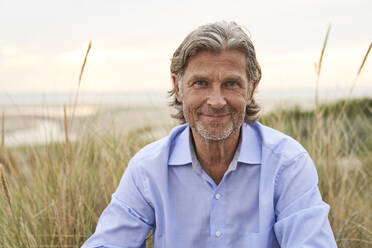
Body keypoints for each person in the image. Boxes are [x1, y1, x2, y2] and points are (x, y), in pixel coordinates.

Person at [82, 21, 337, 248]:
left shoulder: (287, 163)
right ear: (178, 88)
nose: (216, 101)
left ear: (251, 90)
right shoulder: (148, 169)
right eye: (201, 83)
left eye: (231, 84)